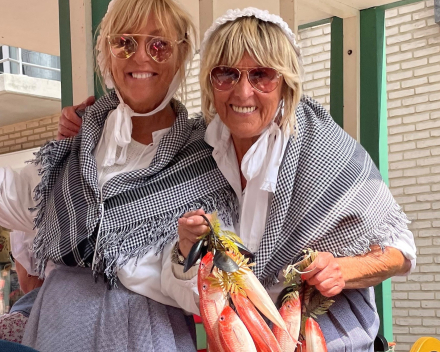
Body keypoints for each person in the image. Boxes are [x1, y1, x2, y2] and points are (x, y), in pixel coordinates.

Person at [57, 6, 416, 352]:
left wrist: (343, 269)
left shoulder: (324, 148)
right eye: (226, 74)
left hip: (329, 337)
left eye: (262, 75)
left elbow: (400, 251)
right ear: (210, 83)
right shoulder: (197, 150)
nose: (243, 93)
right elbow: (137, 156)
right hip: (238, 337)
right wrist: (92, 125)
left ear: (286, 84)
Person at [0, 0, 238, 351]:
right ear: (107, 54)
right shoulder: (74, 148)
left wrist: (187, 257)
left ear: (181, 55)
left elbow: (215, 286)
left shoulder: (208, 157)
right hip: (58, 328)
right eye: (124, 42)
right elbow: (13, 196)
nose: (141, 57)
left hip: (148, 336)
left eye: (159, 45)